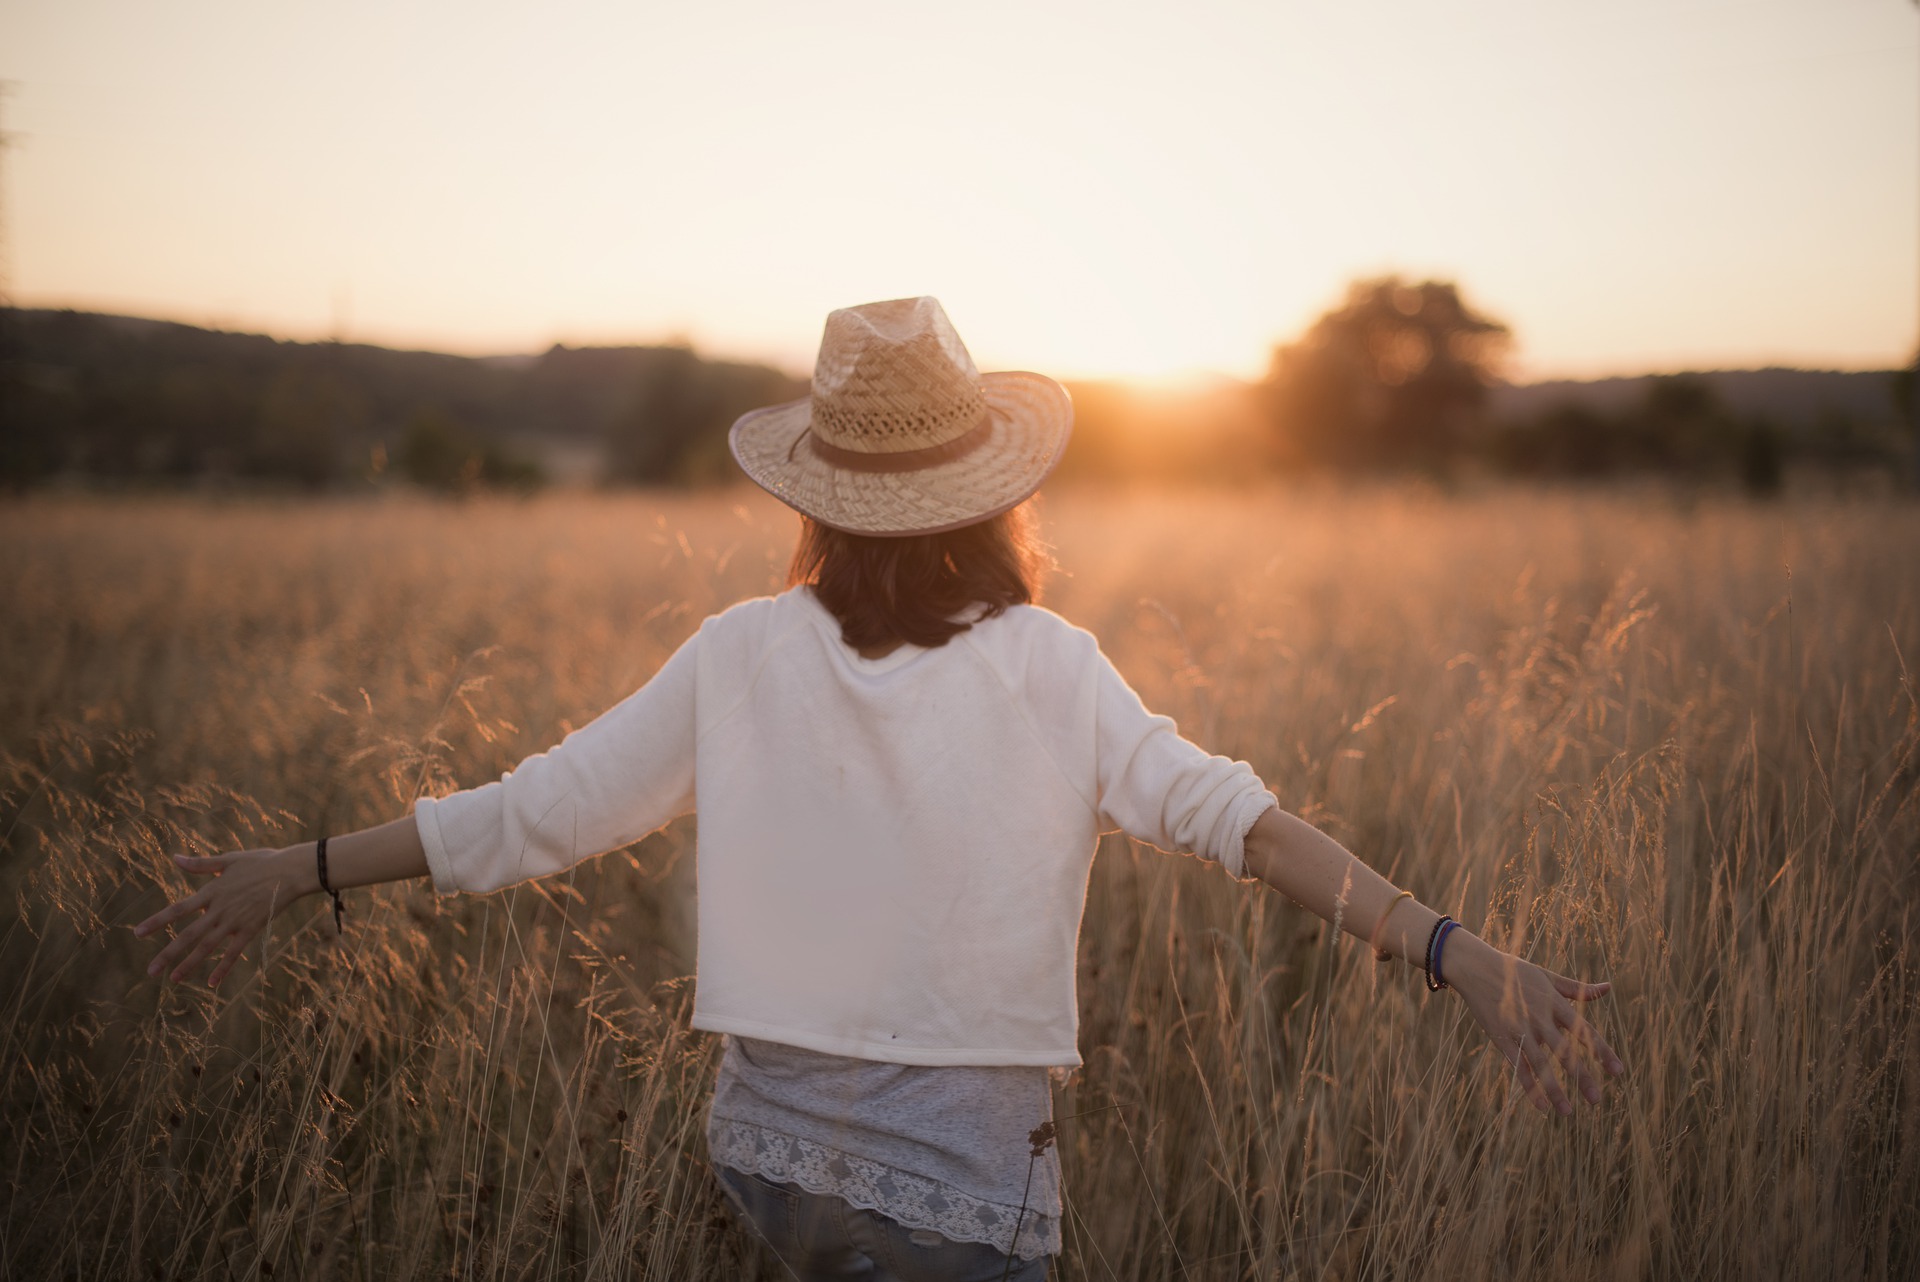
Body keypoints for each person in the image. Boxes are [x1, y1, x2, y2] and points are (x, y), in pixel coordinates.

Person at [134, 297, 1625, 1281]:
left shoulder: (736, 653)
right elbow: (1248, 825)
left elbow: (534, 812)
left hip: (769, 1171)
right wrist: (1455, 949)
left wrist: (303, 867)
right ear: (998, 489)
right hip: (964, 1205)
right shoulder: (1053, 664)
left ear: (819, 496)